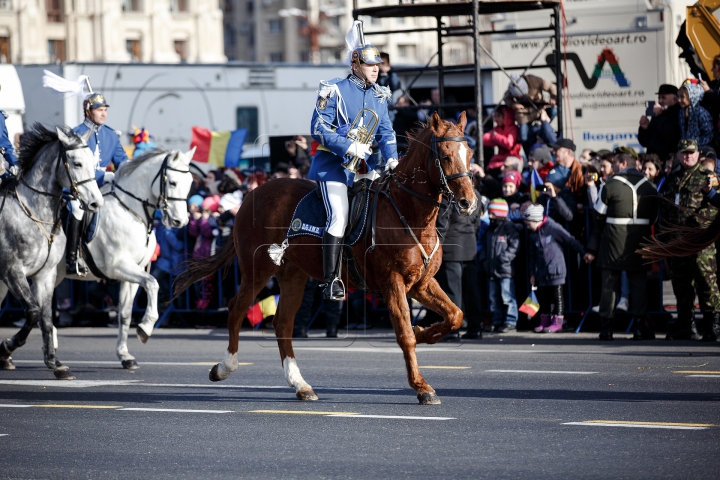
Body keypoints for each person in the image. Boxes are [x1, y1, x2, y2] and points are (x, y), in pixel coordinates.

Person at [309, 21, 398, 301]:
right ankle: (331, 280)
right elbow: (319, 128)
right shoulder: (332, 89)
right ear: (356, 65)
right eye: (371, 65)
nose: (376, 69)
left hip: (365, 168)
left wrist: (393, 159)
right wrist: (350, 145)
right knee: (339, 217)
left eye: (378, 65)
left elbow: (386, 132)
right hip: (333, 167)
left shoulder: (380, 96)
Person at [584, 147, 658, 341]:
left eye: (615, 162)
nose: (613, 165)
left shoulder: (610, 184)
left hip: (613, 240)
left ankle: (607, 329)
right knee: (638, 284)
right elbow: (653, 218)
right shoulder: (649, 186)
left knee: (609, 284)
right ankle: (639, 327)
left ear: (623, 164)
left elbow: (598, 215)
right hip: (640, 239)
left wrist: (606, 228)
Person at [660, 139, 720, 340]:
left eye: (691, 153)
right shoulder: (672, 179)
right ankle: (686, 324)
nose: (687, 156)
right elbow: (666, 209)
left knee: (706, 282)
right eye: (684, 153)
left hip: (700, 241)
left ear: (698, 155)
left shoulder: (708, 177)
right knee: (681, 283)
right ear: (678, 155)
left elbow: (714, 207)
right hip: (678, 241)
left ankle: (714, 325)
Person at [67, 91, 128, 275]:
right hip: (78, 190)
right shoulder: (76, 134)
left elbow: (123, 162)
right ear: (88, 111)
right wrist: (104, 175)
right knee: (77, 208)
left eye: (105, 109)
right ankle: (72, 258)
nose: (103, 113)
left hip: (103, 190)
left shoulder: (111, 135)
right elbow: (75, 169)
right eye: (99, 110)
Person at [524, 204, 585, 333]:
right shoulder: (533, 235)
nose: (528, 227)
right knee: (544, 297)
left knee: (557, 297)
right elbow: (532, 255)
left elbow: (569, 240)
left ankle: (558, 322)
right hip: (541, 271)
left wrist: (584, 252)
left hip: (556, 269)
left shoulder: (553, 228)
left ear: (536, 220)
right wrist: (532, 273)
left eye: (529, 224)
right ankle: (545, 321)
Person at [434, 188, 484, 340]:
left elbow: (442, 223)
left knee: (452, 291)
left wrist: (437, 247)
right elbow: (477, 223)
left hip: (451, 247)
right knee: (471, 291)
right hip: (469, 246)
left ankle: (453, 329)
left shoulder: (449, 195)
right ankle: (475, 328)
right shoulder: (477, 194)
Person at [478, 199, 520, 333]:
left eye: (493, 213)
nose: (490, 217)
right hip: (491, 270)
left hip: (504, 270)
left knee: (507, 296)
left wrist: (504, 258)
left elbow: (515, 245)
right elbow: (485, 246)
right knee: (494, 298)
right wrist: (484, 260)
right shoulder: (490, 228)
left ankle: (510, 320)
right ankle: (497, 321)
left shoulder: (508, 227)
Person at [503, 73, 558, 156]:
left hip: (539, 110)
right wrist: (513, 104)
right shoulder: (511, 88)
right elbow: (506, 97)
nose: (520, 98)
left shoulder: (535, 80)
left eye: (522, 96)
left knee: (554, 110)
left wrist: (553, 97)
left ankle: (540, 126)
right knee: (523, 136)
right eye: (518, 97)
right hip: (523, 114)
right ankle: (529, 155)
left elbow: (552, 86)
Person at [638, 84, 681, 162]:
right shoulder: (658, 115)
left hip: (668, 160)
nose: (660, 101)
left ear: (674, 99)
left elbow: (671, 137)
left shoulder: (678, 114)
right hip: (653, 161)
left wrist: (659, 117)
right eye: (659, 98)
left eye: (664, 98)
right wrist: (644, 129)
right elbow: (645, 142)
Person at [482, 107, 521, 175]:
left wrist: (497, 137)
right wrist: (497, 138)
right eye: (495, 116)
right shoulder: (498, 128)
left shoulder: (513, 128)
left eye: (499, 116)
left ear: (506, 116)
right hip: (499, 159)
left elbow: (509, 144)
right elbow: (484, 139)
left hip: (511, 159)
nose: (496, 119)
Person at [678, 81, 714, 147]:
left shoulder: (700, 112)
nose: (679, 100)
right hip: (685, 149)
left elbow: (709, 134)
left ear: (692, 96)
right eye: (678, 97)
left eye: (682, 97)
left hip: (701, 149)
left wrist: (695, 145)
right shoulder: (681, 112)